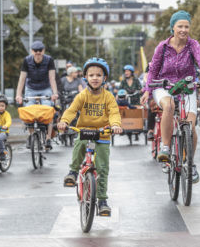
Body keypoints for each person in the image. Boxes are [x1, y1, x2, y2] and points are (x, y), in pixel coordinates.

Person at [141, 10, 200, 183]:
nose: (183, 30)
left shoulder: (193, 45)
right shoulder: (163, 46)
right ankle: (166, 147)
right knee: (169, 106)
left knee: (190, 125)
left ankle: (190, 162)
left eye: (186, 26)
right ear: (172, 27)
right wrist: (147, 90)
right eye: (180, 26)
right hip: (163, 85)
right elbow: (153, 69)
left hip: (187, 85)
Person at [58, 57, 123, 217]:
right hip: (85, 130)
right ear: (85, 77)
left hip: (103, 133)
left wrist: (115, 125)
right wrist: (64, 121)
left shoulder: (108, 97)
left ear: (104, 78)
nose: (95, 78)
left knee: (102, 168)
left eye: (99, 75)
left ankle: (102, 201)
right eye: (91, 75)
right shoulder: (82, 96)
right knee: (79, 144)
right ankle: (73, 172)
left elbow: (114, 112)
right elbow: (72, 110)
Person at [15, 41, 59, 150]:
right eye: (35, 51)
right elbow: (22, 79)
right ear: (32, 51)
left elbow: (52, 78)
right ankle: (31, 135)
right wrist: (18, 95)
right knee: (28, 111)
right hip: (31, 88)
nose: (38, 53)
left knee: (48, 110)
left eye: (40, 50)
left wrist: (54, 93)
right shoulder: (27, 61)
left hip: (45, 88)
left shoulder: (49, 60)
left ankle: (48, 138)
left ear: (43, 51)